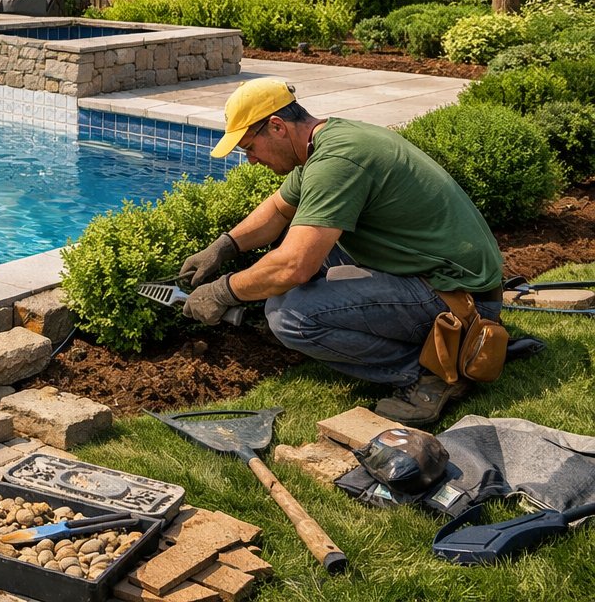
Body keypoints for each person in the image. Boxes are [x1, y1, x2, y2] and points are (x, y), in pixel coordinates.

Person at [177, 78, 504, 425]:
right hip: (434, 274)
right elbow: (278, 210)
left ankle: (432, 372)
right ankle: (433, 350)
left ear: (276, 127)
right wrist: (224, 246)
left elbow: (294, 266)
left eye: (248, 147)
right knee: (297, 242)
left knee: (290, 317)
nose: (251, 160)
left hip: (459, 298)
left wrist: (223, 291)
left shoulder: (338, 161)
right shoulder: (328, 142)